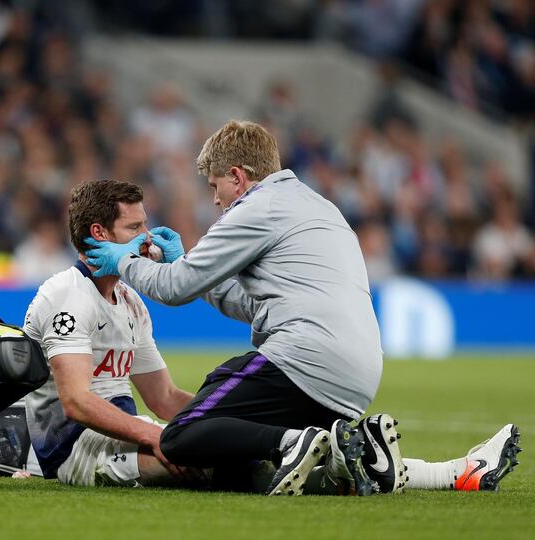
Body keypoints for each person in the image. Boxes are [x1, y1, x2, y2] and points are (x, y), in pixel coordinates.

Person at [85, 120, 521, 495]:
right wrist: (185, 266)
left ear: (237, 176)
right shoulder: (317, 206)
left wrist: (124, 261)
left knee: (184, 435)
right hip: (358, 374)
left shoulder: (256, 208)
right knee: (239, 462)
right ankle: (449, 472)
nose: (216, 200)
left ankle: (301, 441)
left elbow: (174, 289)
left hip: (304, 358)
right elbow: (254, 307)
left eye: (215, 186)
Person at [23, 179, 205, 488]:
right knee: (205, 464)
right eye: (134, 228)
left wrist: (223, 419)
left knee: (227, 448)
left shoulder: (130, 301)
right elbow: (77, 402)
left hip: (125, 435)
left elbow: (163, 397)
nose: (147, 238)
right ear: (100, 234)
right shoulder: (67, 295)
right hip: (73, 448)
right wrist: (154, 435)